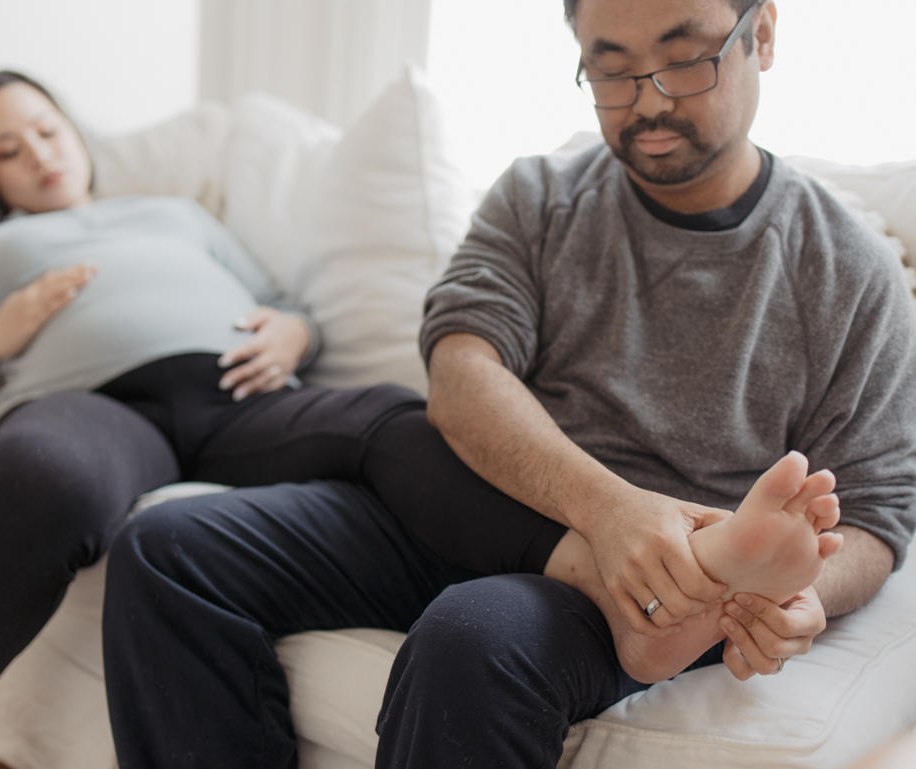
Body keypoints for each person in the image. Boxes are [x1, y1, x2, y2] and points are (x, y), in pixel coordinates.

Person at [100, 0, 916, 767]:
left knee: (473, 636)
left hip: (660, 585)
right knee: (168, 549)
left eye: (684, 59)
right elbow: (460, 372)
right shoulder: (539, 196)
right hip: (475, 507)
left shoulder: (848, 270)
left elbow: (877, 513)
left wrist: (799, 594)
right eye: (611, 70)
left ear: (762, 34)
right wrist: (604, 509)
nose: (648, 102)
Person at [0, 69, 327, 769]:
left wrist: (295, 332)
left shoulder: (177, 214)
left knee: (399, 427)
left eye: (46, 129)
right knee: (39, 477)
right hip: (95, 410)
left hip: (245, 397)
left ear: (74, 129)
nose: (38, 153)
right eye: (7, 150)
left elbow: (282, 300)